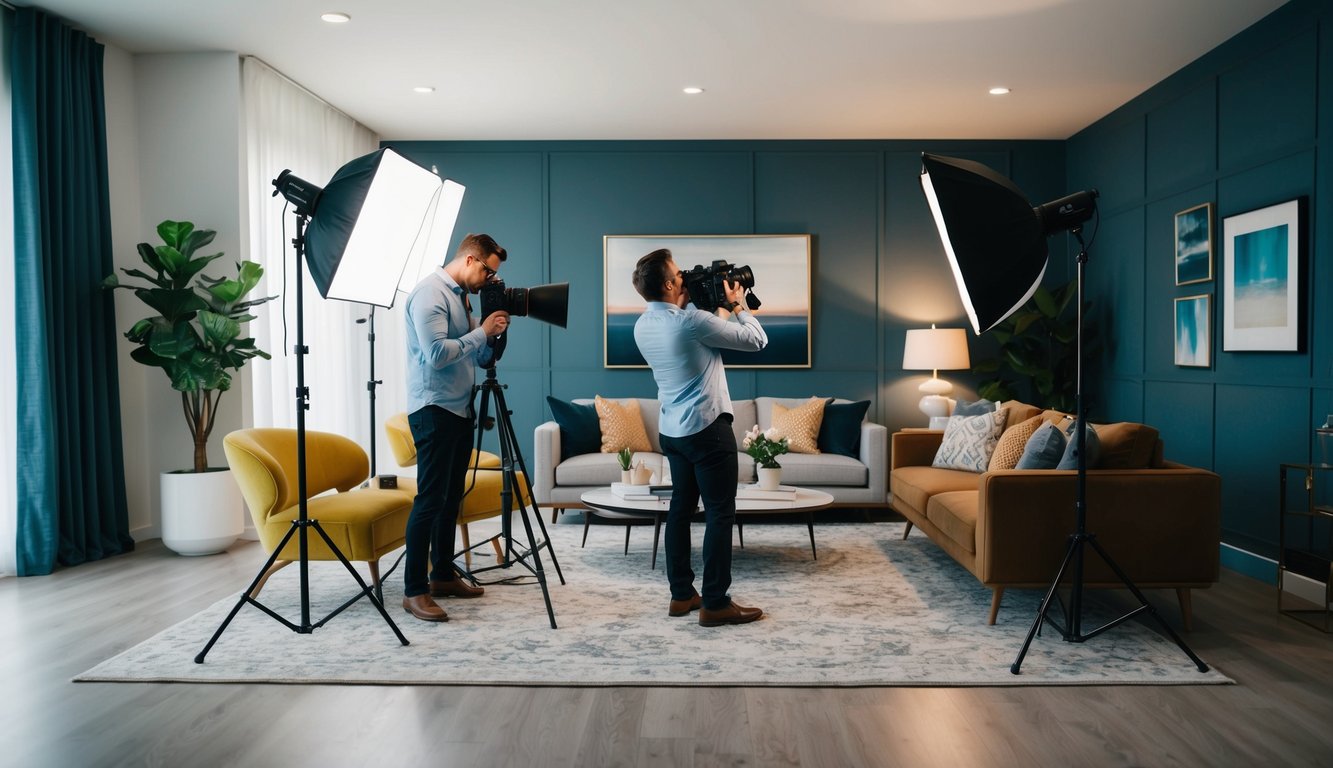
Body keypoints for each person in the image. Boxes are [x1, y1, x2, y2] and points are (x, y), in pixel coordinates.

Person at [631, 249, 769, 627]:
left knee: (680, 510)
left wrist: (709, 306)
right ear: (668, 284)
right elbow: (756, 341)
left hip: (673, 432)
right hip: (708, 431)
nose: (685, 277)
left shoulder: (643, 326)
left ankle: (681, 595)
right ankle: (715, 603)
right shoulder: (691, 323)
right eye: (678, 274)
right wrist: (738, 304)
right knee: (720, 515)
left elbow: (704, 334)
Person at [401, 233, 510, 622]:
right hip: (433, 409)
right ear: (469, 260)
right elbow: (435, 356)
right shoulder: (430, 294)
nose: (488, 281)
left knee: (450, 499)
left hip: (459, 409)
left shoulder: (462, 298)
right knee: (430, 499)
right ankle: (413, 591)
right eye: (487, 272)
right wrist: (481, 331)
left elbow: (478, 359)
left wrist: (494, 333)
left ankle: (442, 575)